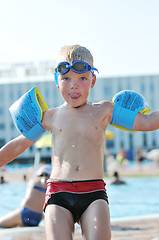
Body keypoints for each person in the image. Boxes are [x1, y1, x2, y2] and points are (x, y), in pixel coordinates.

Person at [1, 44, 159, 239]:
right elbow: (18, 145)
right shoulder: (50, 117)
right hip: (58, 193)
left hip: (93, 192)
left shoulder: (105, 111)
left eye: (82, 78)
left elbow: (149, 122)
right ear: (56, 81)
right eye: (66, 78)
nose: (73, 85)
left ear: (93, 80)